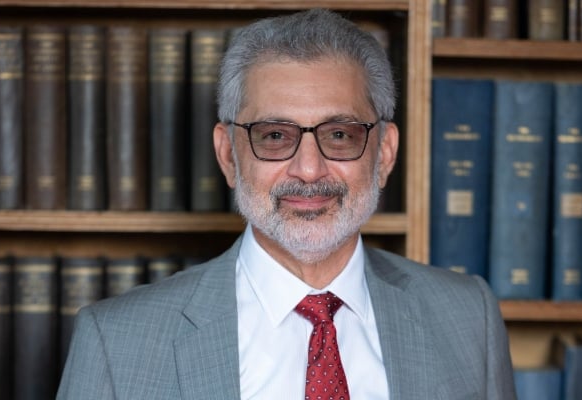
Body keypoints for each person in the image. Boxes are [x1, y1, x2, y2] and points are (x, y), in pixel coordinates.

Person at [57, 8, 515, 399]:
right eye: (275, 136)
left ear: (385, 154)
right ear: (228, 156)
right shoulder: (117, 343)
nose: (309, 170)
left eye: (340, 135)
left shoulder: (469, 317)